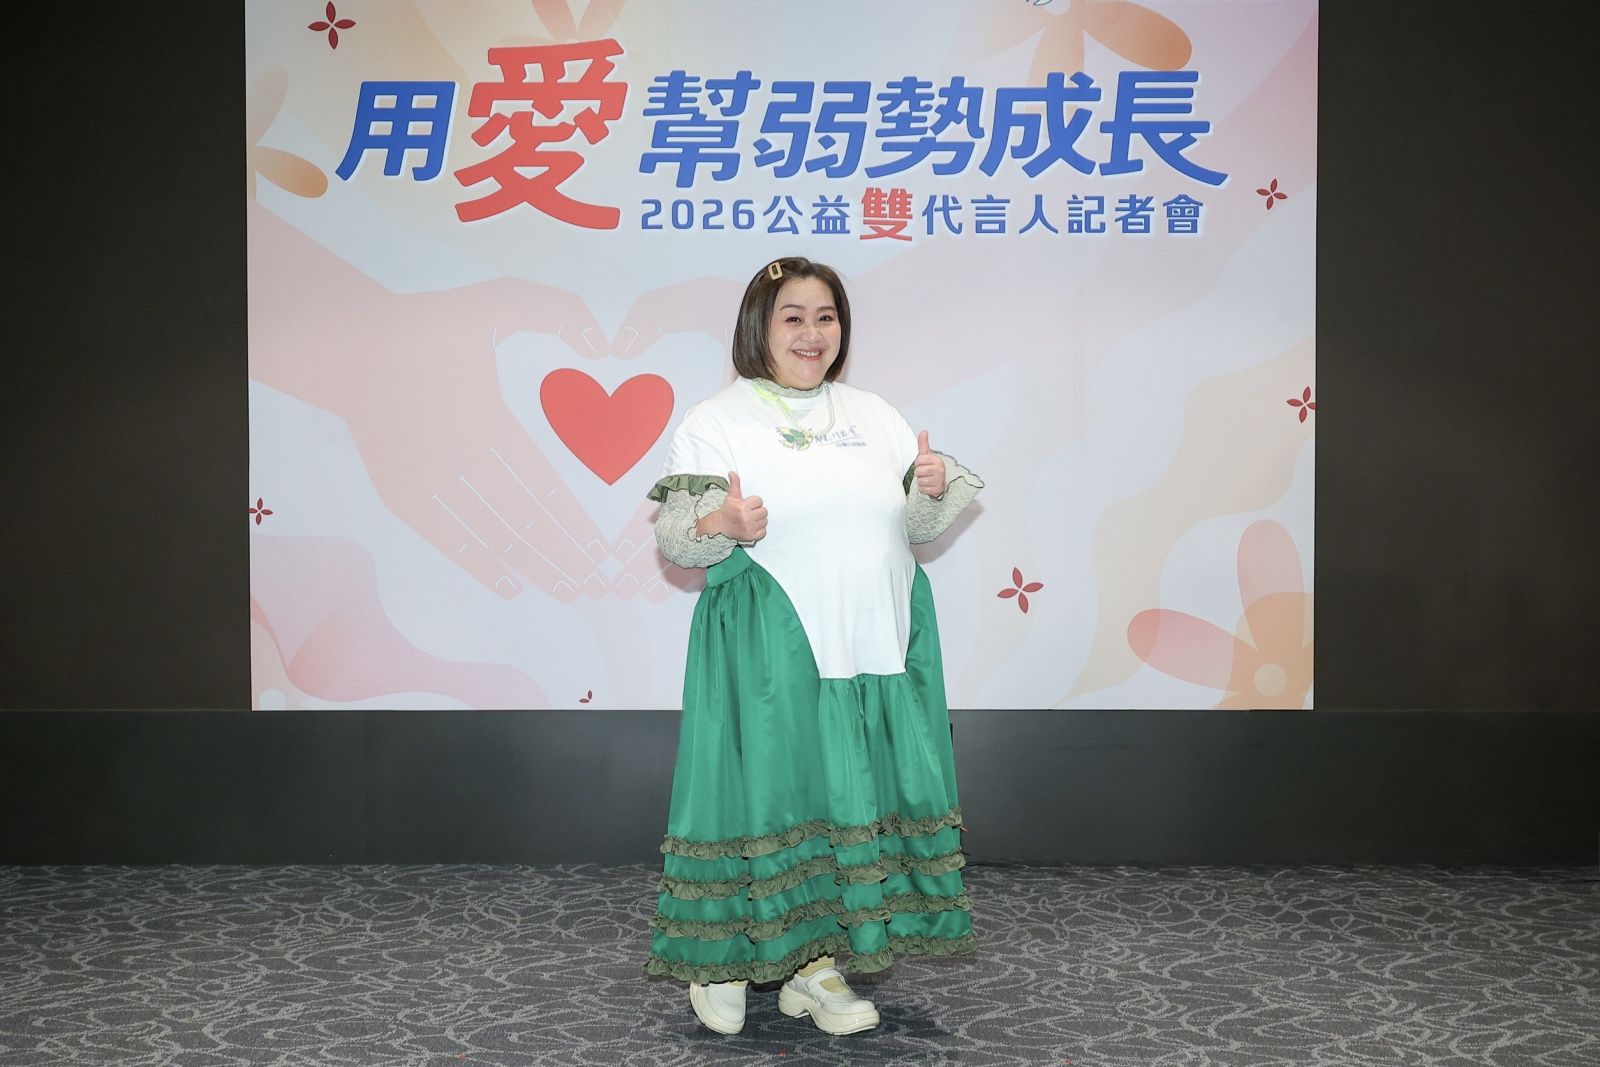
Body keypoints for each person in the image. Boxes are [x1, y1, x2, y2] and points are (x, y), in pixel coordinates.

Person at [642, 256, 983, 1036]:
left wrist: (928, 490)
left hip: (869, 650)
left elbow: (913, 527)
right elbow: (677, 541)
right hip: (771, 654)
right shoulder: (716, 421)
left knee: (841, 805)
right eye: (792, 316)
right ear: (758, 326)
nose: (811, 333)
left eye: (825, 317)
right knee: (768, 798)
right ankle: (722, 955)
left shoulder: (875, 414)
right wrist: (720, 523)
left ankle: (813, 965)